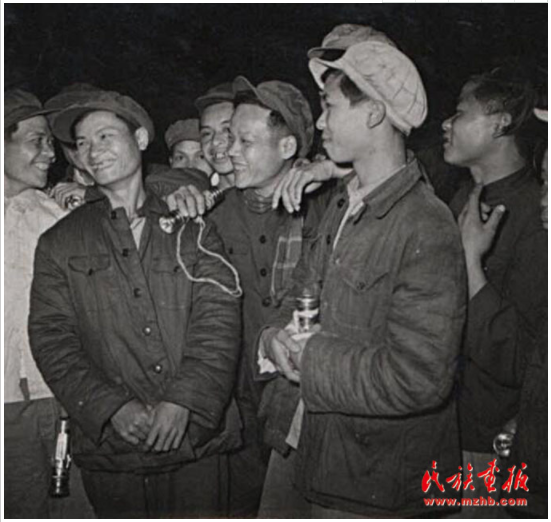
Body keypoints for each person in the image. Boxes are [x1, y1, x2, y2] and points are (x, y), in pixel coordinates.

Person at [258, 40, 467, 518]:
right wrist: (272, 339)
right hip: (306, 446)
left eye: (329, 107)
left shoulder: (425, 224)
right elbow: (297, 297)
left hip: (369, 477)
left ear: (374, 112)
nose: (320, 123)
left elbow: (420, 377)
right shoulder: (343, 204)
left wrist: (310, 359)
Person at [28, 88, 242, 518]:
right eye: (83, 143)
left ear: (141, 139)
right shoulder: (59, 242)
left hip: (195, 442)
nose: (93, 151)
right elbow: (52, 339)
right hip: (113, 450)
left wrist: (184, 401)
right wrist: (110, 408)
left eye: (105, 136)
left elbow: (218, 322)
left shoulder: (193, 228)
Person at [442, 67, 547, 512]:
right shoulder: (461, 198)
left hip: (489, 450)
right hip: (445, 434)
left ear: (501, 123)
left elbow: (524, 360)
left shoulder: (538, 218)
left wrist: (471, 264)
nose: (446, 123)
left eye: (460, 112)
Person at [4, 88, 94, 518]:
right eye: (35, 140)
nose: (49, 153)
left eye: (49, 142)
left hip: (56, 396)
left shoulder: (55, 218)